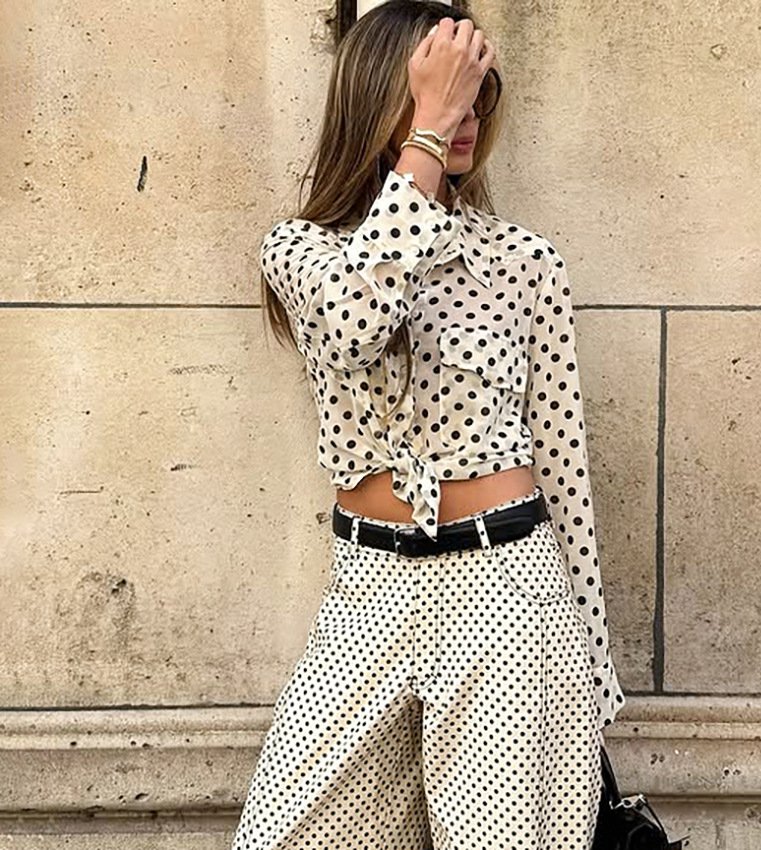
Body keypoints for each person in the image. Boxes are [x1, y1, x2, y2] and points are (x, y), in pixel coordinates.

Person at [231, 2, 625, 848]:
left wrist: (591, 672)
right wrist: (429, 133)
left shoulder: (523, 261)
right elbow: (355, 324)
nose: (467, 114)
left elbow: (564, 468)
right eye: (444, 92)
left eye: (478, 94)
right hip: (368, 590)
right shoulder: (301, 249)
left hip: (506, 590)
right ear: (381, 99)